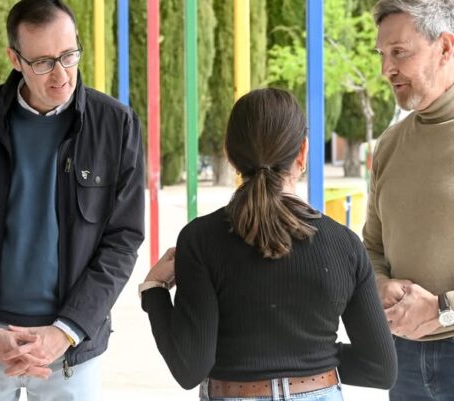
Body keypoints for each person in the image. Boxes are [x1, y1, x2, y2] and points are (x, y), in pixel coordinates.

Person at [0, 0, 145, 399]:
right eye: (43, 62)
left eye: (68, 55)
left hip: (70, 350)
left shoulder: (116, 124)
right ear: (15, 59)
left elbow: (123, 239)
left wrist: (66, 331)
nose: (61, 74)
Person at [141, 88, 396, 401]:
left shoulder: (201, 240)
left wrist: (154, 290)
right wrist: (311, 359)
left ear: (230, 154)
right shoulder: (344, 244)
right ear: (302, 152)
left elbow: (189, 368)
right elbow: (381, 368)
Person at [366, 1, 454, 399]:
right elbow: (371, 245)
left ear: (446, 48)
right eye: (383, 55)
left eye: (400, 52)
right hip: (401, 358)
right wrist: (379, 284)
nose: (387, 69)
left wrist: (443, 309)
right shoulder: (388, 146)